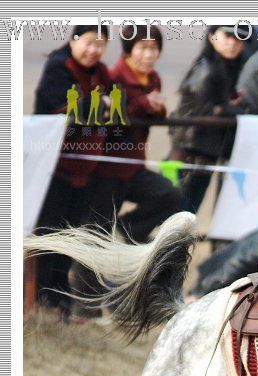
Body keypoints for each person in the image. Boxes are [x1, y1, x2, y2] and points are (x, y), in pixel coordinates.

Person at [71, 25, 181, 318]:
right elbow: (119, 110)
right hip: (107, 166)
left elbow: (155, 112)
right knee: (95, 232)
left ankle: (126, 231)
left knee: (169, 196)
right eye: (142, 48)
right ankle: (87, 306)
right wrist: (146, 104)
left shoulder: (152, 77)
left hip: (133, 165)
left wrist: (154, 108)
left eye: (154, 48)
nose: (148, 54)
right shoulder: (115, 76)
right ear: (129, 50)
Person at [33, 24, 111, 316]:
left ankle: (60, 293)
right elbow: (57, 108)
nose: (94, 50)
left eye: (100, 44)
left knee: (72, 232)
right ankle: (43, 294)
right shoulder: (58, 67)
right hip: (53, 166)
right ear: (74, 39)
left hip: (85, 168)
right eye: (89, 42)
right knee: (50, 231)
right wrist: (96, 103)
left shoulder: (101, 72)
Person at [169, 25, 247, 214]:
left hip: (204, 151)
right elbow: (207, 110)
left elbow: (218, 108)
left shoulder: (225, 68)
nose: (233, 43)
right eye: (228, 35)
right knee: (181, 212)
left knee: (187, 211)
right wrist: (232, 107)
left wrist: (226, 107)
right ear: (212, 36)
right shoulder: (207, 68)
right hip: (190, 150)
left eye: (239, 38)